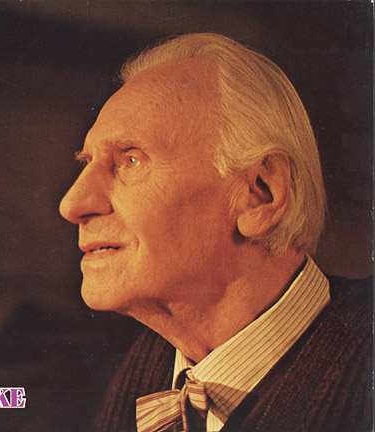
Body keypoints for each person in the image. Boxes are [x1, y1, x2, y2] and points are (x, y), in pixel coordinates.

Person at [59, 33, 372, 432]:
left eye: (131, 160)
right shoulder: (151, 363)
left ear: (260, 194)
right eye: (87, 162)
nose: (72, 204)